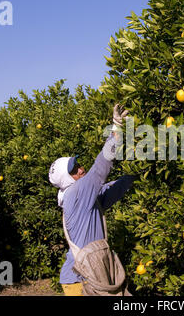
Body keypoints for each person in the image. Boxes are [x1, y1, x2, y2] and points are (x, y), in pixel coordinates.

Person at [48, 104, 135, 296]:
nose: (80, 169)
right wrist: (116, 129)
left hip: (90, 273)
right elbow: (101, 166)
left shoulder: (86, 198)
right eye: (74, 170)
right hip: (80, 280)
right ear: (67, 179)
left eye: (77, 164)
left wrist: (137, 175)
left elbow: (111, 190)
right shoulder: (76, 193)